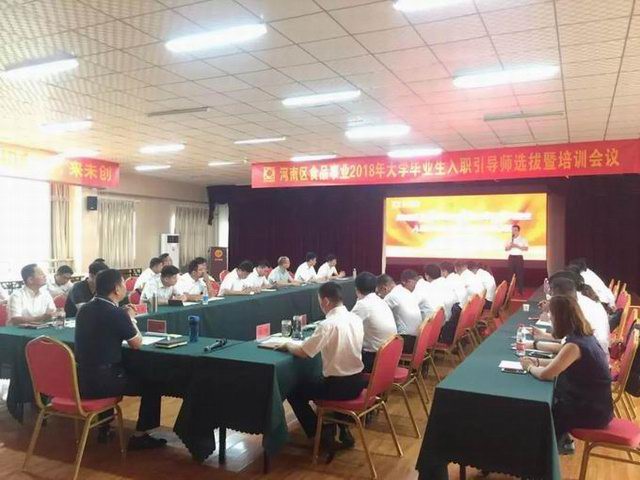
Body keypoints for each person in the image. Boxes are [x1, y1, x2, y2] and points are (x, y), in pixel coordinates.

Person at [75, 269, 165, 450]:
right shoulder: (116, 313)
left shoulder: (84, 309)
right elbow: (137, 343)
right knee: (152, 384)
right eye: (123, 284)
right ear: (116, 289)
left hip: (81, 379)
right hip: (105, 382)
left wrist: (123, 316)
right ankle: (140, 435)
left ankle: (104, 427)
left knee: (116, 368)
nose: (126, 288)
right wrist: (130, 318)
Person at [521, 295, 613, 455]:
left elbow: (546, 375)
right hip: (597, 406)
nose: (551, 319)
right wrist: (535, 361)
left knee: (538, 412)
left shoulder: (574, 345)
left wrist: (529, 367)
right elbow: (559, 362)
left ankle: (542, 457)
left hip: (592, 412)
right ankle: (560, 442)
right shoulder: (584, 336)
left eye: (552, 315)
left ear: (560, 318)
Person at [281, 282, 365, 452]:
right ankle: (343, 430)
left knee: (294, 392)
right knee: (320, 379)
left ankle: (320, 433)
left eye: (320, 301)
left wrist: (287, 345)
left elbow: (304, 352)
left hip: (339, 386)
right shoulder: (355, 318)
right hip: (358, 381)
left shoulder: (328, 324)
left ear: (325, 301)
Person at [533, 276, 610, 356]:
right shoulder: (578, 302)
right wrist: (544, 335)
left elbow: (568, 348)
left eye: (552, 296)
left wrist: (534, 345)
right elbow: (567, 338)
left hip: (596, 353)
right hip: (596, 351)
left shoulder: (579, 309)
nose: (551, 300)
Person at [351, 272, 397, 372]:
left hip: (374, 360)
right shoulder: (381, 301)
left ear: (356, 289)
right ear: (375, 288)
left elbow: (345, 326)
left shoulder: (362, 305)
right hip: (390, 355)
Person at [376, 273, 422, 353]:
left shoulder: (390, 297)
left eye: (379, 292)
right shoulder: (405, 291)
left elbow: (377, 315)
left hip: (405, 341)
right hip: (417, 340)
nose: (380, 295)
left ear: (384, 288)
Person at [505, 224, 528, 295]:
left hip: (519, 258)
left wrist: (517, 246)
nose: (513, 231)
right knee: (510, 275)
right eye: (512, 230)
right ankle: (510, 291)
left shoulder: (523, 239)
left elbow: (526, 248)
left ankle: (520, 290)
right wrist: (510, 246)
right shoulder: (509, 239)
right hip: (511, 258)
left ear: (518, 231)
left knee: (519, 274)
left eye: (515, 230)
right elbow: (506, 249)